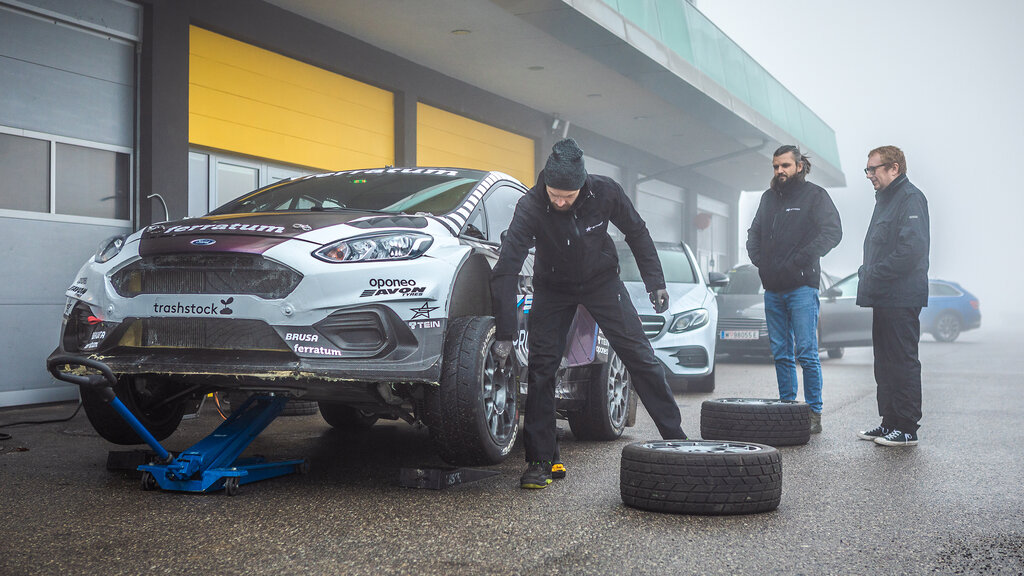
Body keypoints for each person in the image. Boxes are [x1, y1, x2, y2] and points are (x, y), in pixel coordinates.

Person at [490, 138, 687, 489]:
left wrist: (654, 282)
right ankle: (540, 460)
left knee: (639, 356)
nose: (561, 201)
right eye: (555, 194)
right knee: (542, 370)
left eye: (569, 195)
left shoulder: (605, 192)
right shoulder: (531, 205)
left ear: (582, 185)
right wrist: (506, 331)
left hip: (601, 282)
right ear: (545, 184)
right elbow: (506, 268)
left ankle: (676, 437)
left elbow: (637, 233)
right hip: (552, 288)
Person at [746, 145, 842, 434]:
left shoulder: (815, 196)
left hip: (802, 287)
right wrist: (760, 261)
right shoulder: (768, 198)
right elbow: (755, 233)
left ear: (799, 166)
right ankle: (787, 407)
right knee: (781, 352)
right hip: (773, 289)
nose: (780, 171)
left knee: (807, 352)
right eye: (776, 167)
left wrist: (801, 259)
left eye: (785, 166)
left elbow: (833, 232)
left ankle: (814, 413)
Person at [856, 146, 929, 447]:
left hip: (901, 296)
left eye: (874, 169)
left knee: (902, 362)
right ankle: (889, 423)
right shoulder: (885, 200)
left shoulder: (910, 198)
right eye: (868, 170)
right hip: (884, 297)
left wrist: (873, 273)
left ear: (894, 168)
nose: (869, 175)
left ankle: (907, 428)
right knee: (884, 363)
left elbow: (911, 251)